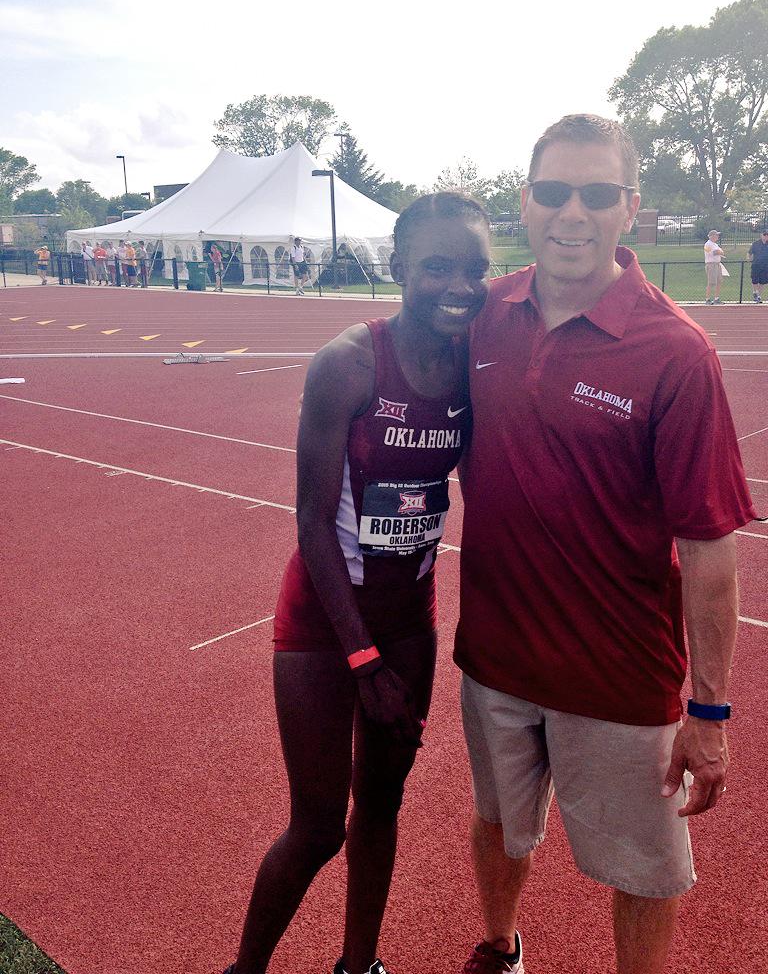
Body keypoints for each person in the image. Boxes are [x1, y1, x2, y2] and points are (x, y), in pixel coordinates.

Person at [455, 114, 756, 974]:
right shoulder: (484, 317)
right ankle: (501, 948)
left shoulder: (676, 353)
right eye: (553, 192)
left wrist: (710, 712)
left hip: (620, 679)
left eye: (595, 194)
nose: (571, 213)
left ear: (630, 207)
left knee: (647, 879)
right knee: (496, 826)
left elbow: (707, 549)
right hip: (496, 663)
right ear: (526, 202)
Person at [224, 193, 491, 974]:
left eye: (475, 269)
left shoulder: (473, 365)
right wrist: (362, 661)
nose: (458, 285)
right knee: (318, 825)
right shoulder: (349, 361)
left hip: (410, 618)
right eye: (437, 266)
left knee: (381, 805)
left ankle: (358, 966)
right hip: (324, 621)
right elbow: (311, 523)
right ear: (400, 268)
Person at [703, 228, 725, 303]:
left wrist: (719, 252)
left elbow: (721, 252)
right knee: (711, 282)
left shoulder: (715, 244)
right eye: (716, 235)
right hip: (711, 264)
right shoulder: (707, 244)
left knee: (719, 281)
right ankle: (707, 299)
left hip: (717, 264)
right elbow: (713, 253)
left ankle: (716, 298)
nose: (718, 236)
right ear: (712, 236)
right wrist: (719, 252)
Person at [747, 229, 768, 304]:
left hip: (765, 265)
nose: (766, 236)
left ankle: (758, 295)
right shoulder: (756, 244)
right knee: (754, 280)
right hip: (756, 264)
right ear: (761, 235)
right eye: (765, 235)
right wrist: (748, 258)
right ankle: (755, 292)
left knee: (763, 281)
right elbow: (749, 252)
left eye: (767, 235)